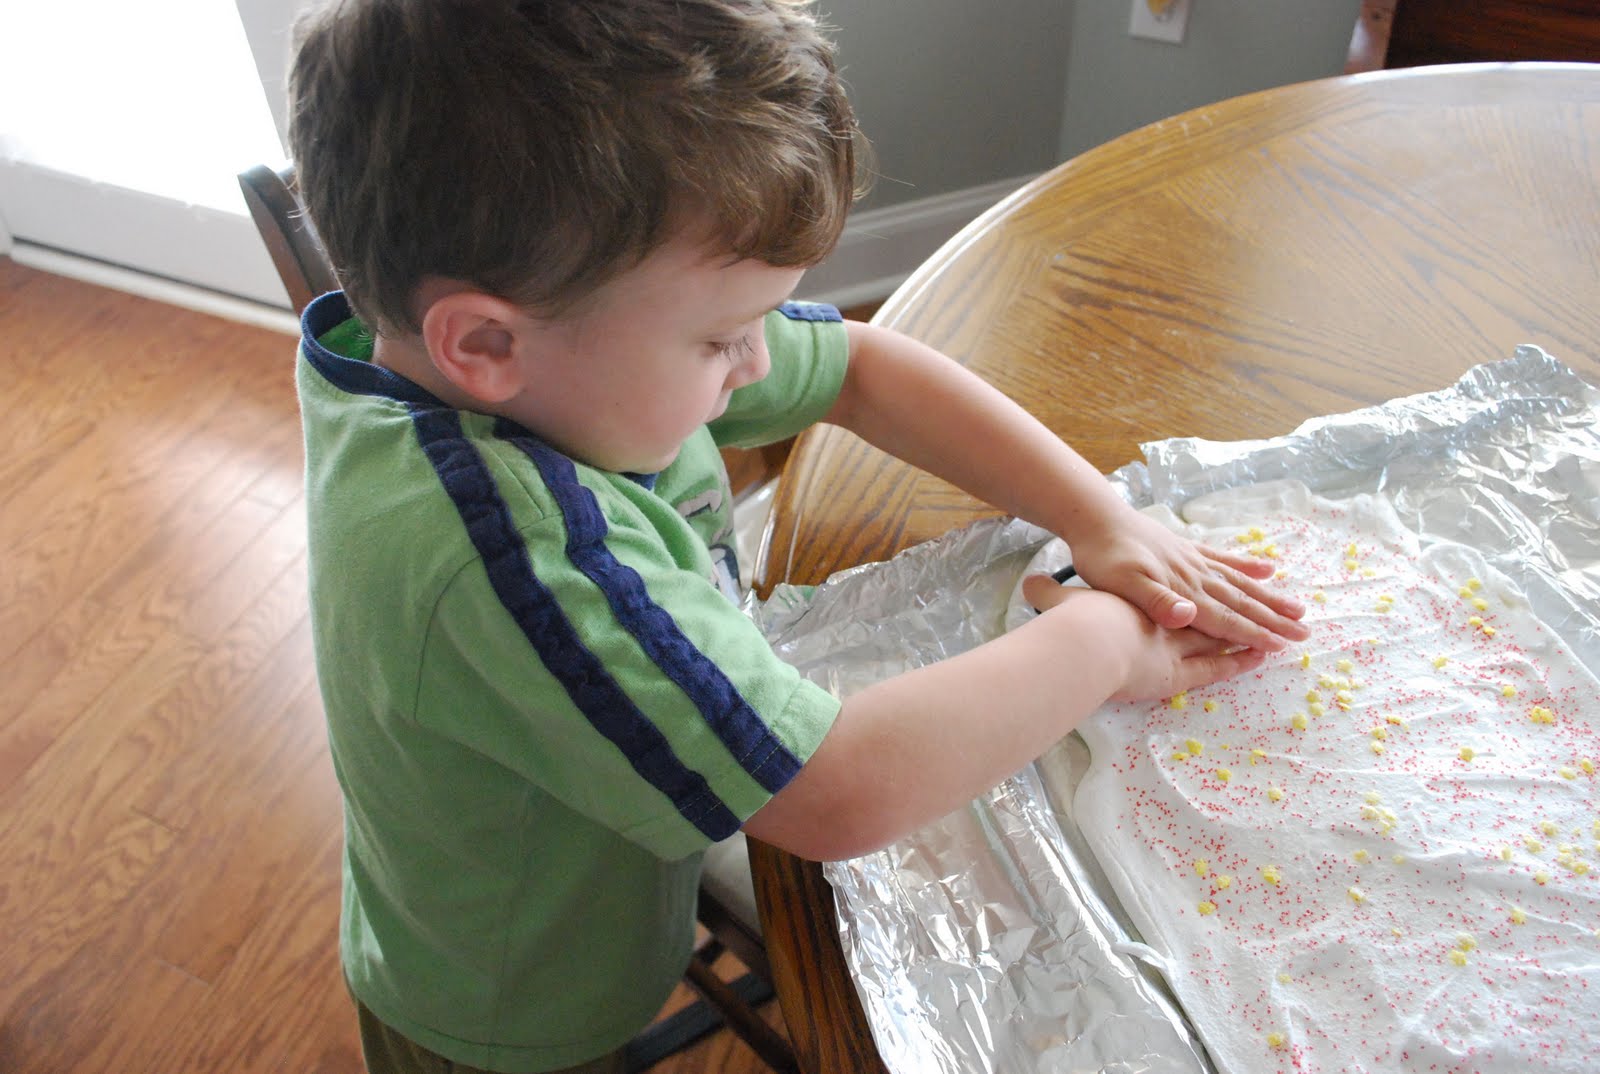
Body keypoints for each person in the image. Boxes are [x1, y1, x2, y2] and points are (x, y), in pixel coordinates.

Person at [286, 1, 1310, 1071]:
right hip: (514, 1009)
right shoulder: (521, 555)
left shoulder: (544, 353)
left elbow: (861, 367)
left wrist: (1097, 516)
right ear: (486, 344)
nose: (760, 365)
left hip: (593, 872)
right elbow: (834, 792)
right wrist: (1101, 640)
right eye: (722, 340)